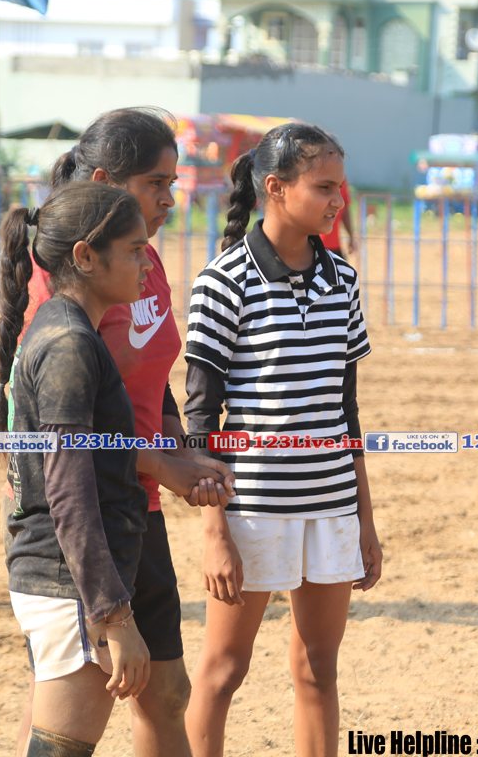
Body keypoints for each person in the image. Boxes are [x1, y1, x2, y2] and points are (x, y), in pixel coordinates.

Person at [10, 108, 235, 757]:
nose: (169, 199)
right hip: (81, 513)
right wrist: (164, 465)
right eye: (154, 183)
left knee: (165, 694)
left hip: (133, 503)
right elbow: (62, 442)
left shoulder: (140, 261)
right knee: (68, 717)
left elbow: (151, 375)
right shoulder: (65, 290)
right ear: (105, 183)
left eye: (172, 183)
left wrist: (179, 452)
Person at [182, 123, 384, 757]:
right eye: (323, 187)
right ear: (275, 187)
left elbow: (347, 412)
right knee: (223, 670)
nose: (337, 201)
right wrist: (215, 534)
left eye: (340, 188)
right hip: (251, 509)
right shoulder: (223, 282)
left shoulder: (343, 280)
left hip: (331, 506)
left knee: (318, 667)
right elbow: (200, 422)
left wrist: (364, 520)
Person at [0, 181, 168, 756]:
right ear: (86, 257)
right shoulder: (69, 342)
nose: (147, 264)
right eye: (134, 250)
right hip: (70, 584)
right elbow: (69, 492)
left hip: (64, 578)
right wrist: (114, 615)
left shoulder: (64, 328)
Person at [318, 179, 354, 259]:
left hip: (335, 246)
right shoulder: (315, 176)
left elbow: (345, 210)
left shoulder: (341, 178)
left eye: (339, 187)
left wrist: (350, 235)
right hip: (314, 245)